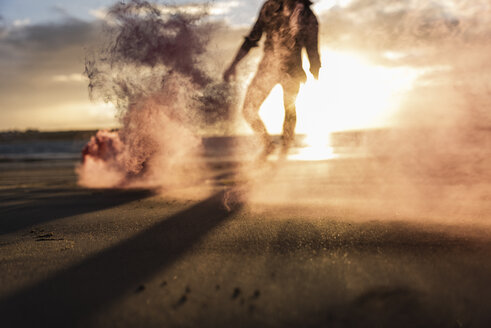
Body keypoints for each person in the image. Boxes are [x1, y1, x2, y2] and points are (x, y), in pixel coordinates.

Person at [224, 0, 321, 160]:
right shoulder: (269, 7)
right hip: (268, 68)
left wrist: (315, 70)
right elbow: (252, 39)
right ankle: (267, 144)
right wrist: (233, 64)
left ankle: (285, 151)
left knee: (289, 111)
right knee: (248, 109)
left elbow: (312, 48)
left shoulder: (308, 16)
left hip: (293, 70)